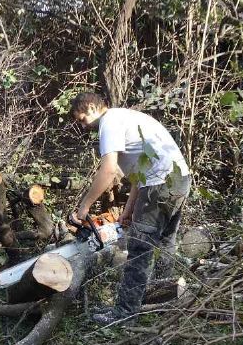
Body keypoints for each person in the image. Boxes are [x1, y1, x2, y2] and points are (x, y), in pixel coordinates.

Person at [69, 92, 191, 325]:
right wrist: (128, 210)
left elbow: (108, 170)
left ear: (94, 108)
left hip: (159, 185)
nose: (84, 127)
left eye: (83, 119)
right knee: (165, 243)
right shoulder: (126, 118)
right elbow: (138, 173)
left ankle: (125, 315)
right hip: (179, 179)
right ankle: (165, 298)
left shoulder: (109, 123)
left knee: (140, 249)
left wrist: (84, 207)